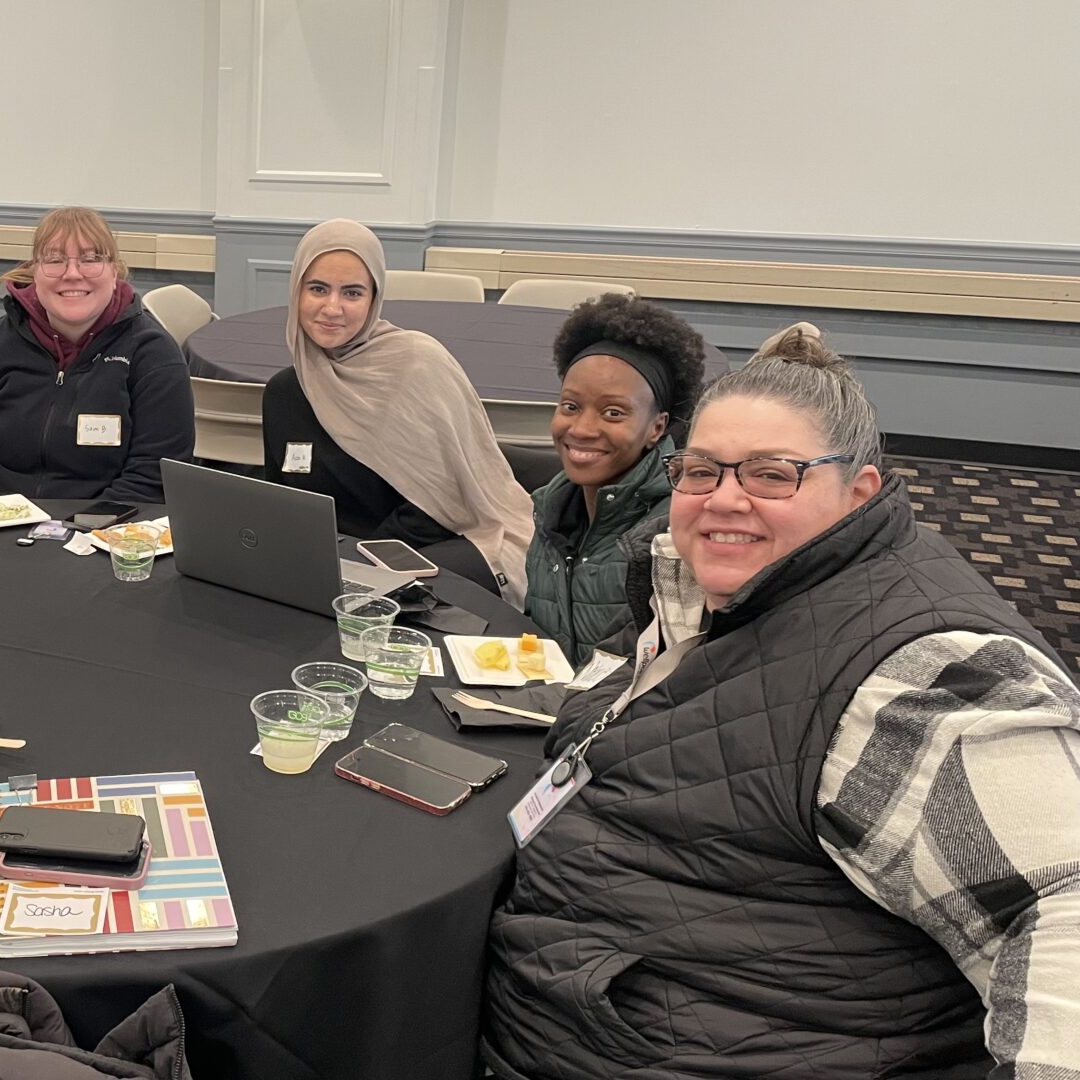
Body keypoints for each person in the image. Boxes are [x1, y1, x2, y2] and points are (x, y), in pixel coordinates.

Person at [481, 329, 1080, 1079]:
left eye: (772, 475)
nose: (725, 498)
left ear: (857, 492)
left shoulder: (914, 681)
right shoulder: (700, 590)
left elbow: (1061, 907)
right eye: (701, 472)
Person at [262, 219, 533, 602]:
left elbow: (437, 509)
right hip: (327, 567)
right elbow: (279, 501)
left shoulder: (418, 365)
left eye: (352, 293)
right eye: (318, 289)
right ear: (296, 292)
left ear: (375, 299)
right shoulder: (284, 393)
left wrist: (356, 564)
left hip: (427, 548)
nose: (332, 307)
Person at [0, 206, 194, 504]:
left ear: (114, 270)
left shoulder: (152, 356)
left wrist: (77, 531)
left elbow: (152, 480)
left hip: (98, 535)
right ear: (35, 271)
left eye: (91, 259)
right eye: (54, 260)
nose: (72, 274)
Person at [522, 294, 707, 664]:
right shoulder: (550, 509)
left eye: (613, 412)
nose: (582, 429)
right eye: (570, 407)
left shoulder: (672, 533)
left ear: (657, 427)